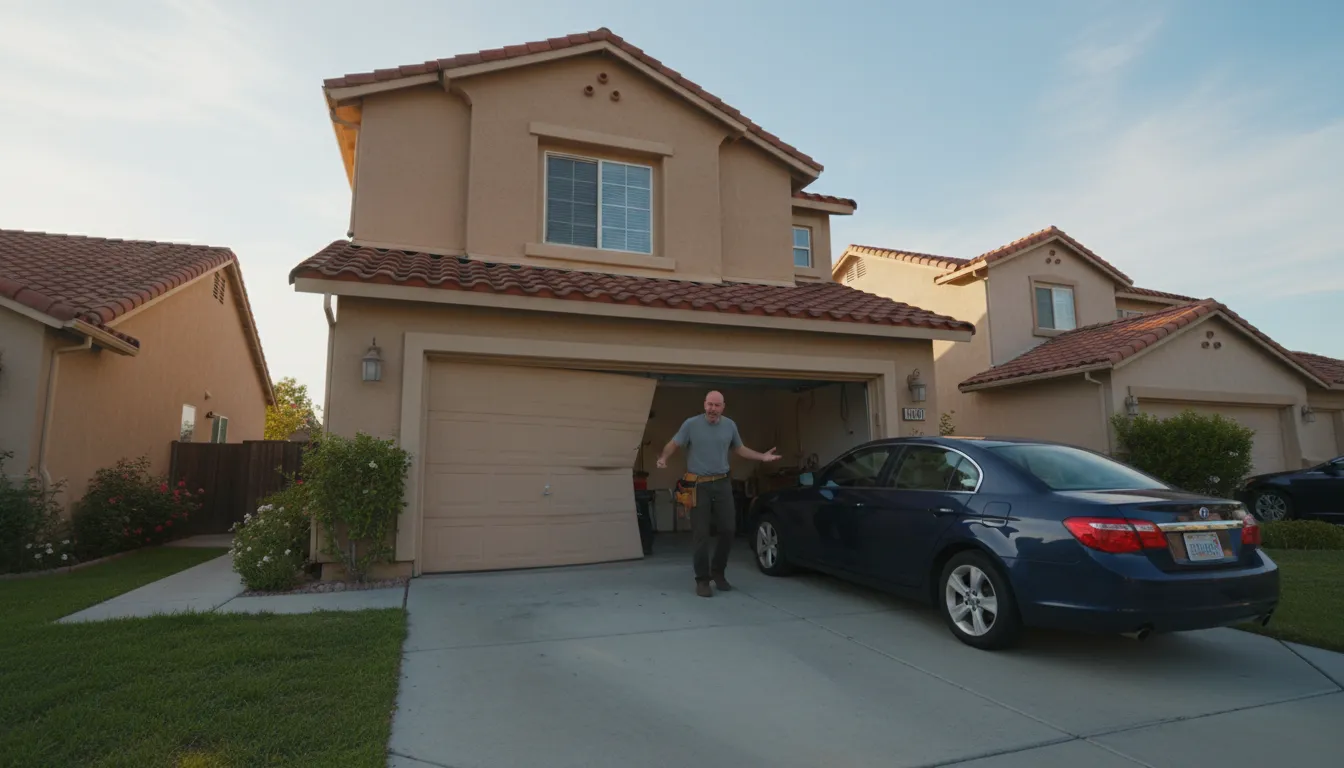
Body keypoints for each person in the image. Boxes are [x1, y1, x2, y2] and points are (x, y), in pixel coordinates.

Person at [656, 390, 780, 597]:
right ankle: (702, 579)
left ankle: (718, 572)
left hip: (722, 483)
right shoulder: (691, 424)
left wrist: (762, 457)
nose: (712, 409)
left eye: (717, 405)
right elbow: (674, 443)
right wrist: (664, 458)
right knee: (701, 534)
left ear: (723, 407)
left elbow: (739, 449)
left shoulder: (730, 425)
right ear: (704, 405)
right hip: (698, 485)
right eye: (709, 404)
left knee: (728, 529)